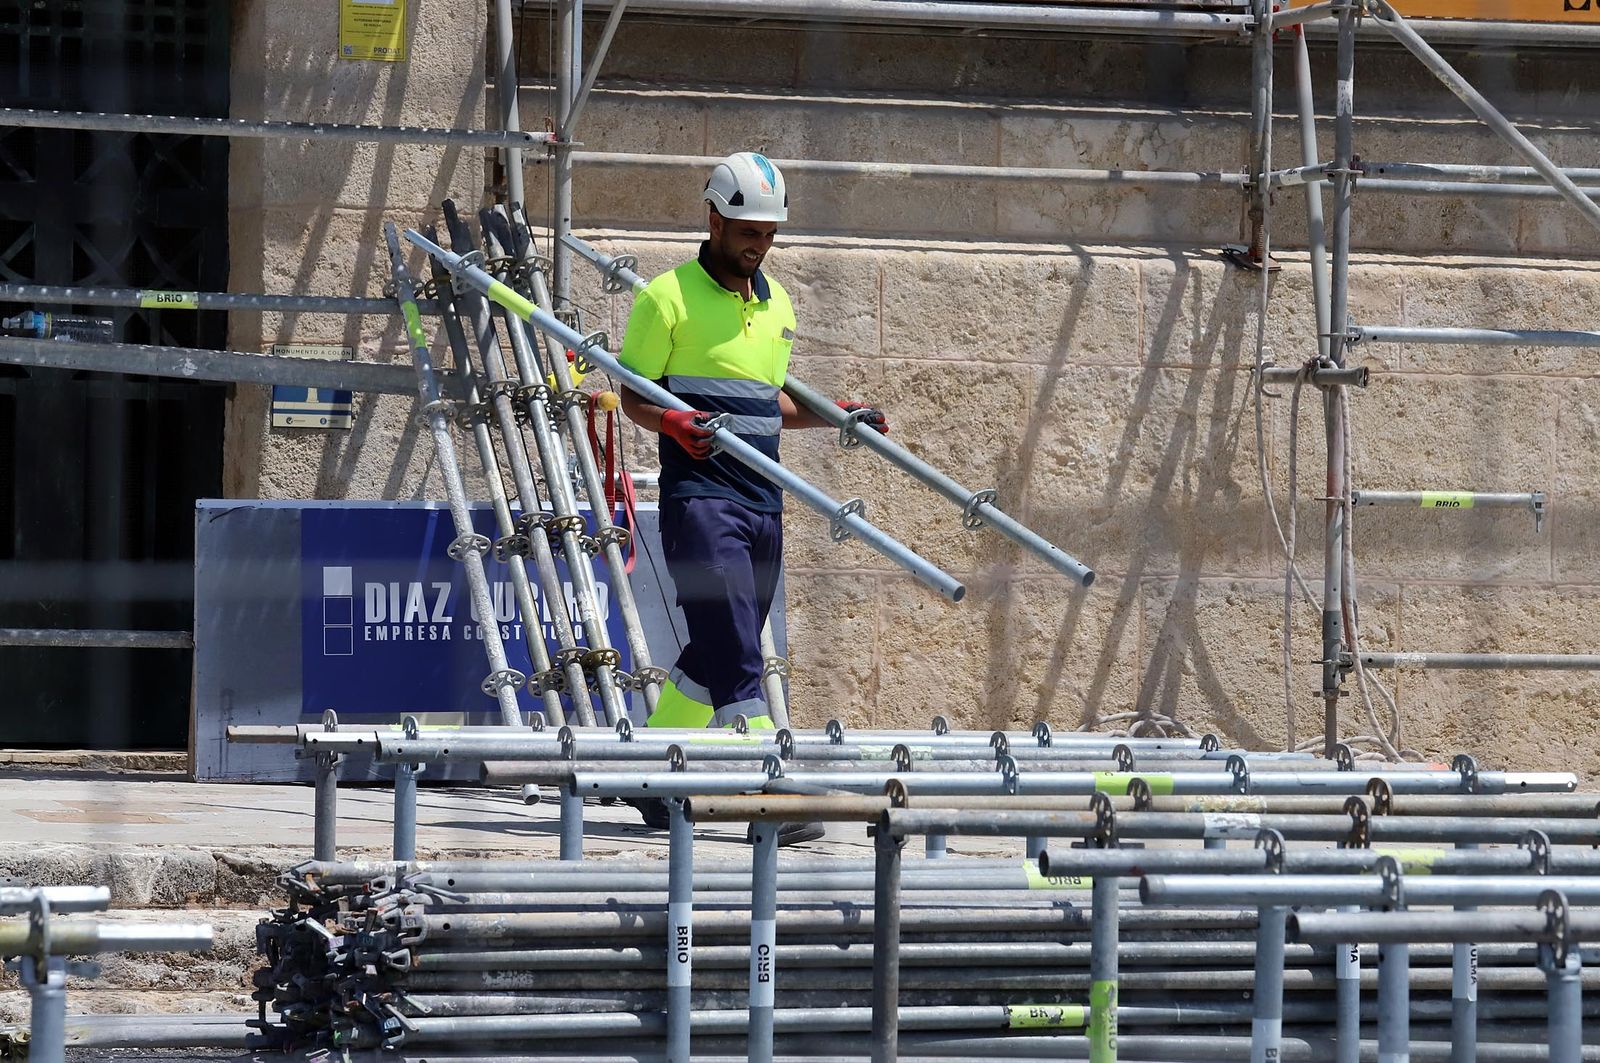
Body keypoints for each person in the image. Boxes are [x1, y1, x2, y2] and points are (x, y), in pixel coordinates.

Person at [615, 151, 888, 844]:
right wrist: (673, 418)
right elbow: (632, 398)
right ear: (714, 218)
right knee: (739, 651)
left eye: (767, 232)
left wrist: (836, 413)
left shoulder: (778, 303)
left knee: (714, 650)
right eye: (746, 230)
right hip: (701, 500)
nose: (757, 243)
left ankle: (646, 775)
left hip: (763, 501)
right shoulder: (665, 298)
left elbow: (772, 405)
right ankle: (773, 787)